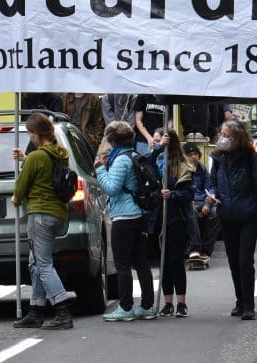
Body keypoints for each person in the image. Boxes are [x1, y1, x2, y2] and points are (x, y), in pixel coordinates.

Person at [11, 112, 77, 330]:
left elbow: (20, 188)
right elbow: (46, 170)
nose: (30, 138)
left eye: (30, 133)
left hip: (39, 215)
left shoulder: (36, 157)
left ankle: (62, 311)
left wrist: (16, 198)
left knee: (43, 264)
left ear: (37, 134)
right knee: (35, 263)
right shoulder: (61, 153)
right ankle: (36, 310)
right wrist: (26, 159)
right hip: (58, 214)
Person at [209, 121, 257, 320]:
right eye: (221, 134)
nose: (223, 138)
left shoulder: (251, 157)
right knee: (233, 261)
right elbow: (212, 182)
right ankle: (240, 300)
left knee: (245, 260)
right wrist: (211, 194)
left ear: (237, 137)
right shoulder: (218, 158)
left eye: (226, 134)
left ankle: (249, 305)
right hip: (227, 215)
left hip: (248, 215)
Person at [94, 121, 155, 321]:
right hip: (139, 214)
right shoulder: (135, 155)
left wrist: (100, 170)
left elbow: (112, 188)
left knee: (122, 264)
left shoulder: (120, 160)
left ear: (112, 140)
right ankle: (147, 306)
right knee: (141, 263)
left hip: (124, 216)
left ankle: (125, 307)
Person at [152, 129, 195, 318]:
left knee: (175, 261)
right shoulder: (157, 161)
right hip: (158, 218)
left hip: (176, 218)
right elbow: (145, 164)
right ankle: (167, 303)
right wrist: (158, 148)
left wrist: (173, 194)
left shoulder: (183, 166)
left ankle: (181, 303)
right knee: (163, 264)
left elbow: (188, 194)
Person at [184, 144, 220, 261]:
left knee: (216, 213)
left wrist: (207, 204)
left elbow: (210, 189)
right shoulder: (182, 170)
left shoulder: (203, 169)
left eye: (195, 154)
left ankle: (205, 249)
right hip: (189, 202)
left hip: (203, 201)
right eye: (190, 155)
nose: (193, 157)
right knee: (191, 212)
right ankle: (195, 248)